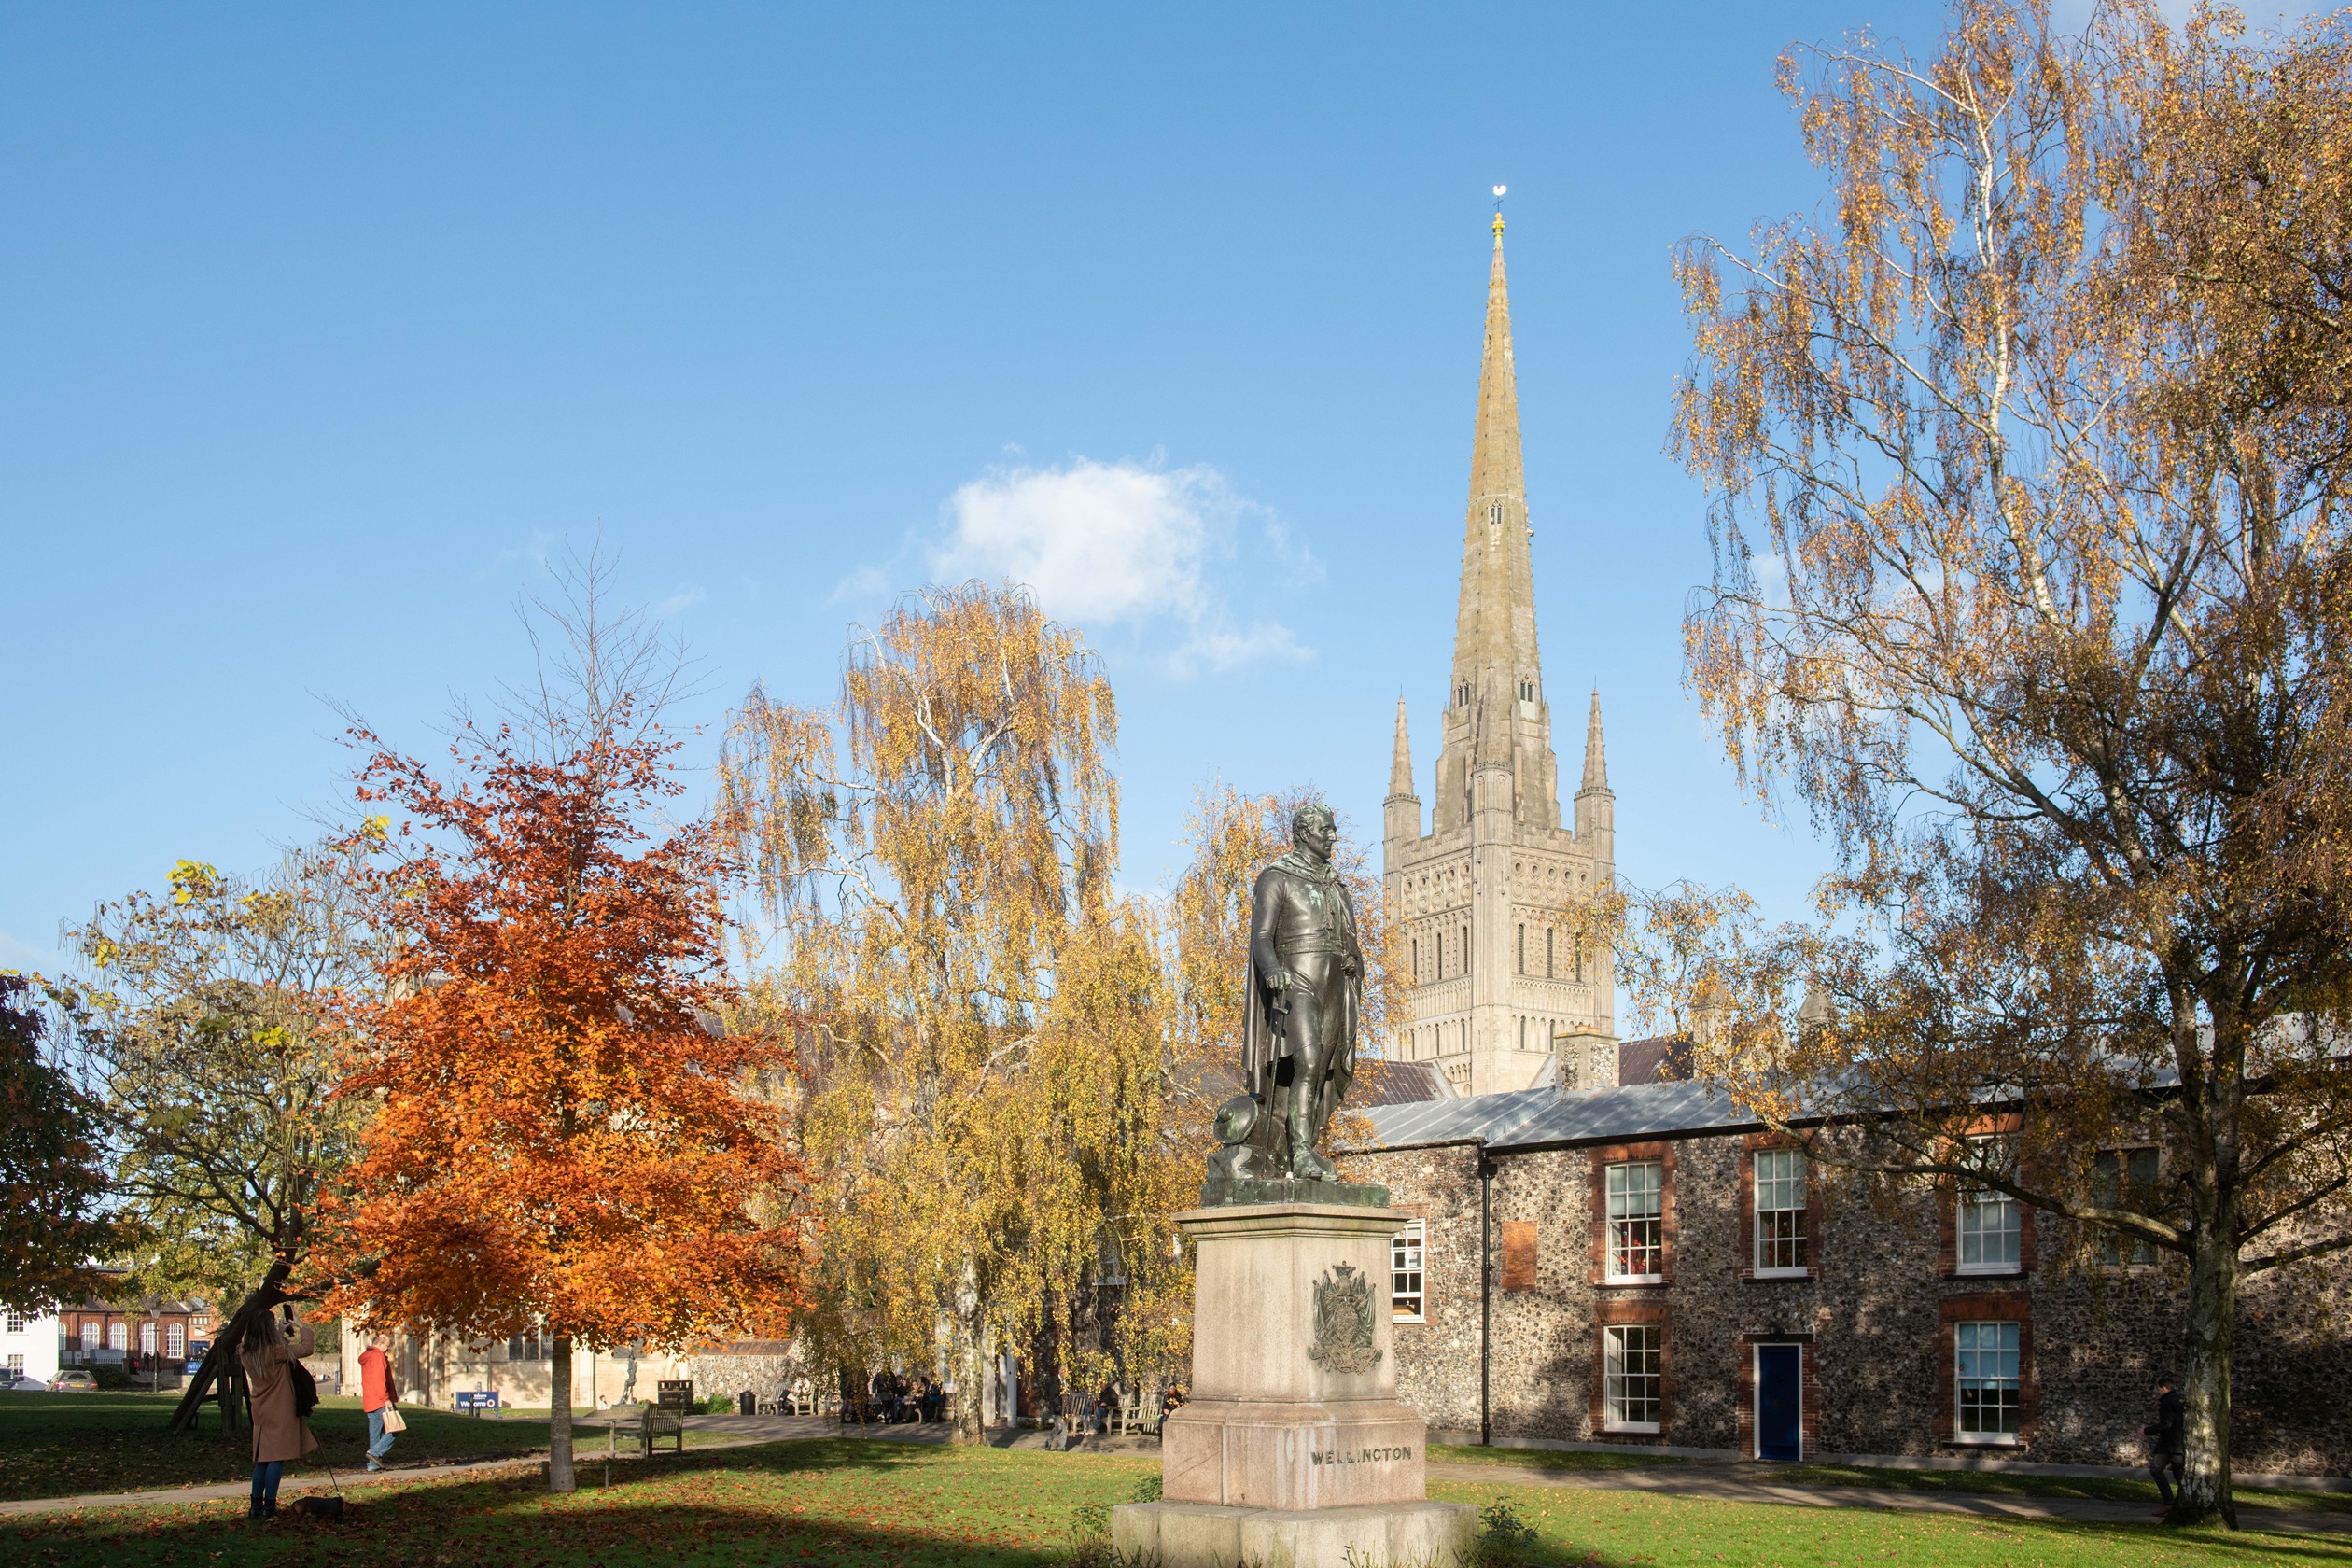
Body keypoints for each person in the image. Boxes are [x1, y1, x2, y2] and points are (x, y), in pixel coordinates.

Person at [239, 1307, 317, 1521]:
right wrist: (301, 1326)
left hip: (261, 1408)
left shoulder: (245, 1351)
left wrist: (280, 1334)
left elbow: (261, 1348)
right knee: (276, 1459)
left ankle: (256, 1506)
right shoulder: (277, 1352)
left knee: (262, 1459)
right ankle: (269, 1506)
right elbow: (306, 1348)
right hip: (280, 1407)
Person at [358, 1330, 399, 1472]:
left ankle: (373, 1465)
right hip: (380, 1400)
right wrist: (386, 1399)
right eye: (387, 1345)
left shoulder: (367, 1356)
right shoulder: (377, 1356)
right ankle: (374, 1454)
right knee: (396, 1427)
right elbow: (378, 1379)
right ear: (380, 1344)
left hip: (370, 1401)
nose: (388, 1348)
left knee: (375, 1433)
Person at [2144, 1376, 2185, 1514]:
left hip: (2168, 1444)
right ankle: (2182, 1502)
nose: (2158, 1392)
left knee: (2156, 1469)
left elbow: (2165, 1424)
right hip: (2179, 1444)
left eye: (2159, 1389)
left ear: (2164, 1388)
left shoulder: (2167, 1402)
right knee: (2179, 1474)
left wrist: (2145, 1431)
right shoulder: (2178, 1401)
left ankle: (2169, 1502)